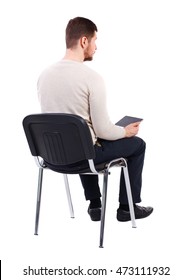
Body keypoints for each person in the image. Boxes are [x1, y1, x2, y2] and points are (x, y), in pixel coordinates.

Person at [37, 17, 153, 222]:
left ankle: (95, 205)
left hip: (52, 157)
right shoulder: (91, 78)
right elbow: (102, 131)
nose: (96, 46)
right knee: (137, 145)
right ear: (84, 41)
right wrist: (125, 132)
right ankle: (127, 208)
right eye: (95, 40)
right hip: (84, 158)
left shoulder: (44, 76)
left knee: (79, 137)